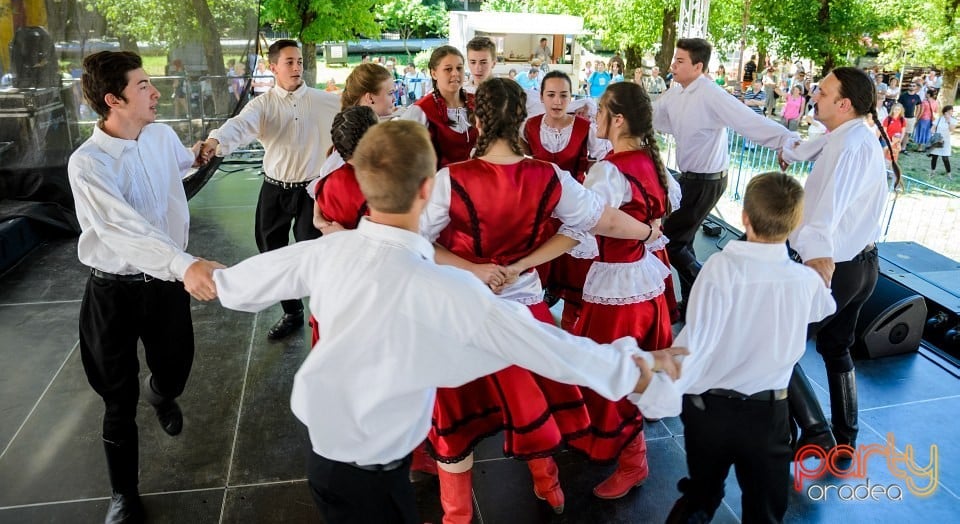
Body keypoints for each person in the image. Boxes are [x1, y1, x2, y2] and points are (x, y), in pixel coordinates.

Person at [207, 119, 686, 524]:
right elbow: (546, 347)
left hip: (324, 462)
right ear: (427, 188)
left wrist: (181, 266)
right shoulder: (447, 291)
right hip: (375, 473)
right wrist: (637, 363)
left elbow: (234, 284)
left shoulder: (324, 251)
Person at [421, 77, 665, 520]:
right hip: (526, 307)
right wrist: (647, 231)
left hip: (463, 309)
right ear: (522, 121)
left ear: (478, 120)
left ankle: (456, 516)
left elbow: (419, 242)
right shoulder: (549, 176)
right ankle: (548, 486)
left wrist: (475, 269)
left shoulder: (449, 179)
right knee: (529, 400)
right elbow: (595, 223)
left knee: (456, 419)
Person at [68, 51, 223, 523]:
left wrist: (197, 155)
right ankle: (124, 494)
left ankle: (163, 391)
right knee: (117, 398)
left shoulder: (160, 136)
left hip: (164, 288)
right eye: (142, 86)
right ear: (113, 100)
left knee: (174, 371)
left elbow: (177, 166)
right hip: (112, 293)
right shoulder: (87, 165)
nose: (156, 92)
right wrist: (185, 263)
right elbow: (122, 230)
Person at [638, 172, 836, 524]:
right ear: (795, 224)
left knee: (700, 497)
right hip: (767, 415)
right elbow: (824, 307)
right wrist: (820, 272)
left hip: (708, 410)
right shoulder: (805, 282)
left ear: (745, 217)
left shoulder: (719, 268)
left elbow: (697, 335)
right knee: (765, 511)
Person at [781, 67, 898, 465]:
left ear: (843, 104)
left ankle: (816, 432)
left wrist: (814, 267)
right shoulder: (852, 137)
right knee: (835, 345)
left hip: (836, 266)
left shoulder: (850, 146)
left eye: (823, 91)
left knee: (781, 346)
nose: (815, 94)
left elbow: (826, 215)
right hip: (862, 265)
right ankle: (845, 439)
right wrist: (792, 150)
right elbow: (816, 148)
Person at [197, 39, 340, 341]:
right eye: (289, 62)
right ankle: (292, 312)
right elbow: (238, 125)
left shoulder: (324, 100)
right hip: (274, 190)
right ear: (273, 67)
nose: (297, 67)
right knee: (270, 250)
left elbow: (358, 111)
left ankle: (323, 316)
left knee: (312, 254)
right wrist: (213, 142)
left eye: (299, 61)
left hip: (311, 192)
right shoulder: (261, 105)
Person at [572, 81, 675, 500]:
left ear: (617, 119)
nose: (593, 118)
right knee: (631, 368)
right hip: (645, 282)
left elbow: (592, 220)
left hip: (621, 285)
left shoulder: (611, 170)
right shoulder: (650, 162)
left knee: (614, 371)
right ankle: (631, 454)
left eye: (599, 111)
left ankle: (633, 462)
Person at [653, 38, 799, 316]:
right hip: (690, 178)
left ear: (698, 66)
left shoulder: (711, 94)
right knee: (682, 241)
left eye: (680, 61)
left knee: (671, 241)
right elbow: (652, 116)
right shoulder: (675, 94)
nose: (673, 65)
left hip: (707, 180)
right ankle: (693, 304)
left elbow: (748, 120)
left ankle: (711, 293)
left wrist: (785, 140)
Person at [521, 71, 611, 329]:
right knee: (540, 265)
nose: (557, 101)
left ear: (571, 97)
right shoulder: (529, 127)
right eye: (551, 95)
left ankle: (574, 323)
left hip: (574, 209)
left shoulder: (585, 128)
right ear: (542, 97)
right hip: (541, 209)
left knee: (574, 268)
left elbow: (600, 163)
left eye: (563, 95)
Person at [308, 105, 380, 344]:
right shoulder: (384, 185)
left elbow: (318, 202)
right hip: (372, 282)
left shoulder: (328, 181)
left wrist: (319, 220)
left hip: (336, 279)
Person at [400, 45, 477, 169]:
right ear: (434, 73)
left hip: (471, 180)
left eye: (459, 68)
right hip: (437, 184)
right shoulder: (422, 110)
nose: (455, 73)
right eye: (448, 69)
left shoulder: (475, 102)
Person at [929, 105, 955, 178]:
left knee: (945, 158)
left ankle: (949, 174)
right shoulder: (939, 119)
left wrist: (948, 121)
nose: (951, 113)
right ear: (945, 112)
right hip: (938, 139)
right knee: (934, 157)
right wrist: (934, 134)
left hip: (946, 141)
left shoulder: (953, 120)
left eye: (951, 111)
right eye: (949, 111)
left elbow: (952, 130)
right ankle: (932, 172)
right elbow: (932, 128)